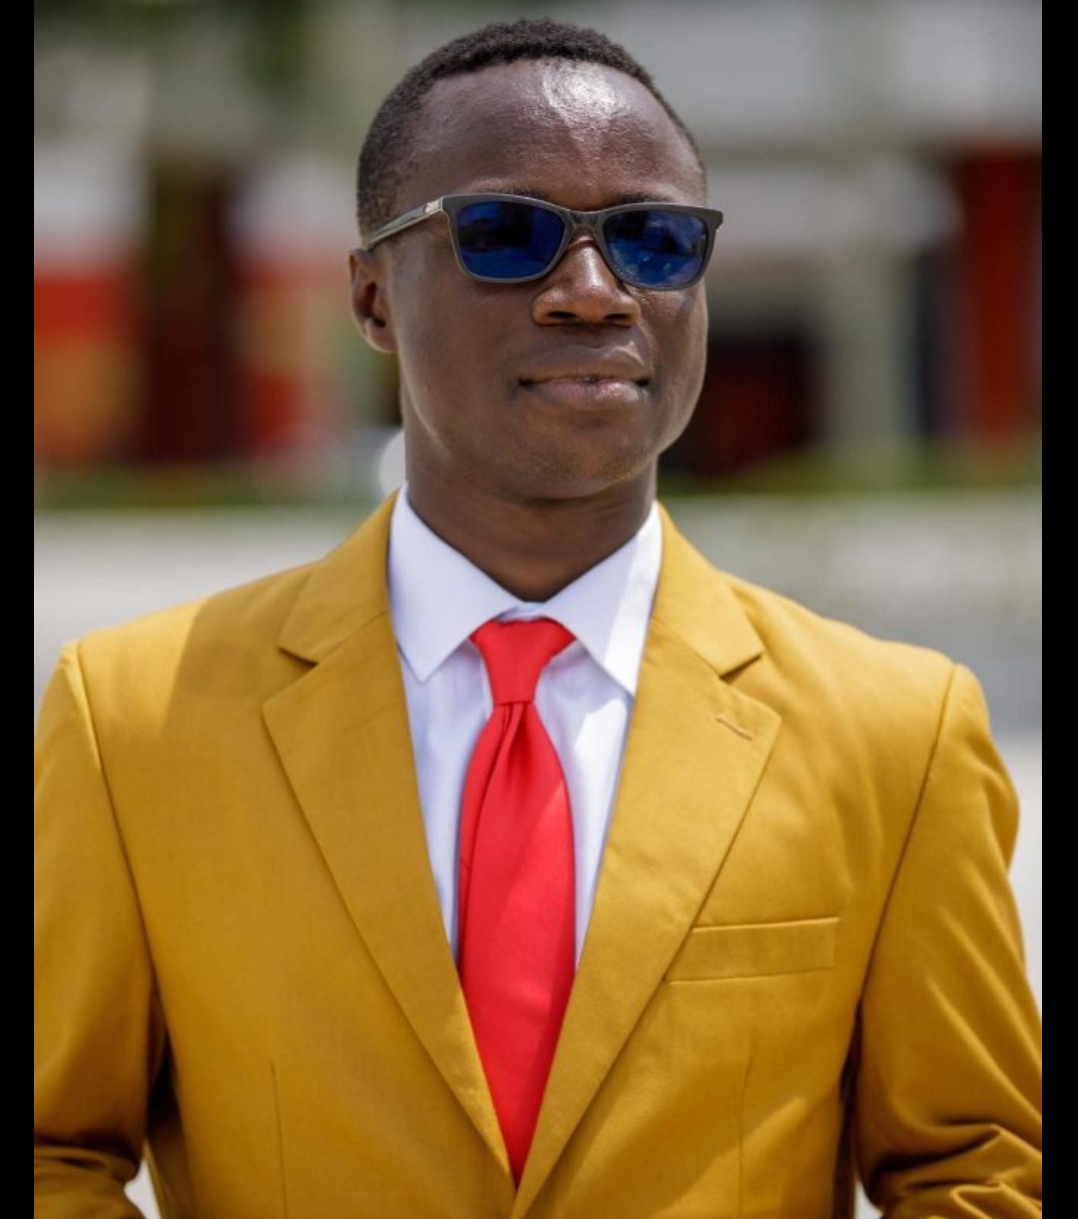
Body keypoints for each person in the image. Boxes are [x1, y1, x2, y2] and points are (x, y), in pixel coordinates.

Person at [34, 18, 1041, 1219]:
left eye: (655, 241)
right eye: (507, 235)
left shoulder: (893, 734)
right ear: (371, 297)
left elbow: (978, 1169)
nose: (593, 292)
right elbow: (52, 1150)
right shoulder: (137, 724)